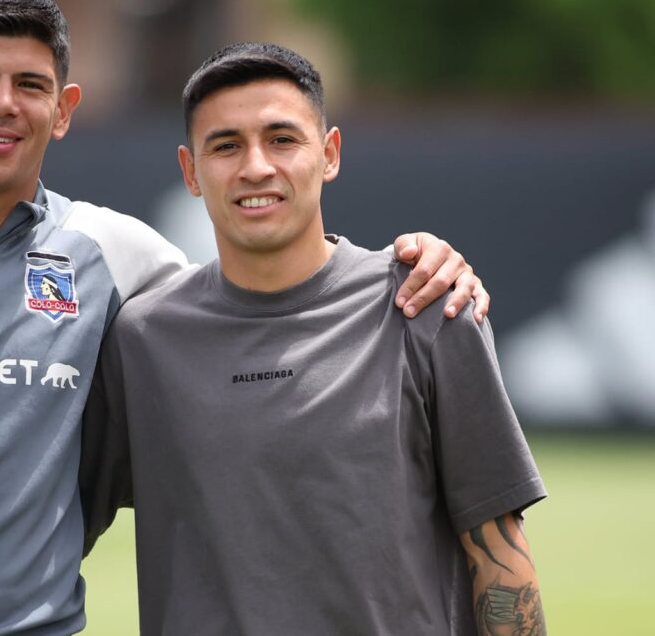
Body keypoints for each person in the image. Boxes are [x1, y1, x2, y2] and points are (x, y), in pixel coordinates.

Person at [0, 0, 488, 636]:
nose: (2, 104)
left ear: (66, 106)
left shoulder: (120, 255)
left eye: (31, 85)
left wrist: (420, 264)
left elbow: (258, 313)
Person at [81, 42, 546, 635]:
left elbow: (501, 558)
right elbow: (51, 527)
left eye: (282, 139)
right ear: (190, 172)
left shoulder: (429, 305)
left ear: (329, 154)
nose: (256, 166)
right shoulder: (141, 341)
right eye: (226, 145)